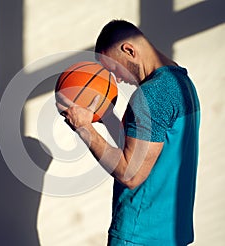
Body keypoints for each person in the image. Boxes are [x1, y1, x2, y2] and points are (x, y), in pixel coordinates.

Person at [56, 20, 200, 245]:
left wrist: (84, 128)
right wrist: (108, 118)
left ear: (129, 50)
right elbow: (147, 151)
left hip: (138, 235)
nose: (116, 79)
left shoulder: (151, 96)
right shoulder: (183, 84)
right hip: (173, 235)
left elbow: (131, 174)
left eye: (113, 69)